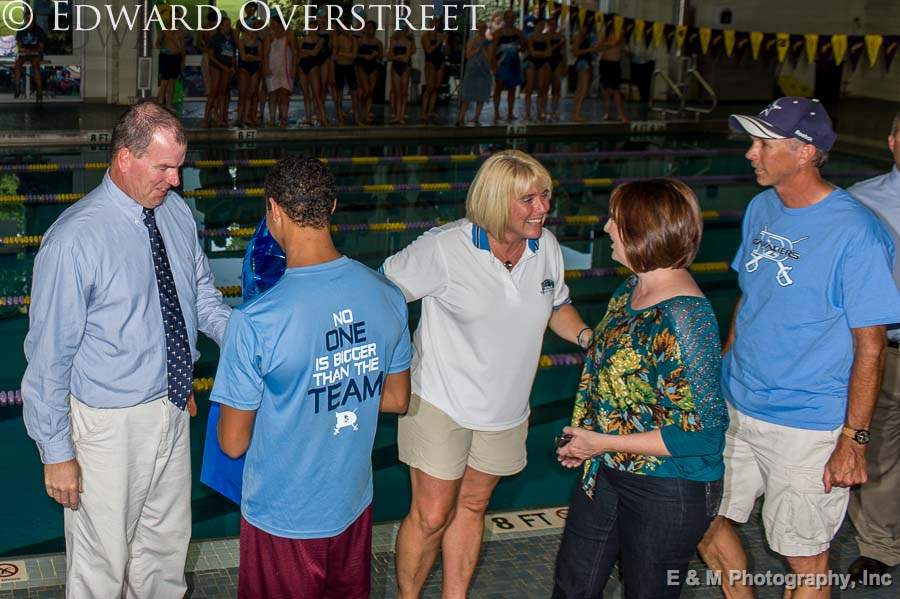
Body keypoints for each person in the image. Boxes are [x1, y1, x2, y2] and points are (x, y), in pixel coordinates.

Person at [21, 100, 231, 598]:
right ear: (123, 159)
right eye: (164, 168)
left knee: (164, 555)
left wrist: (247, 344)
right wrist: (56, 453)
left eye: (179, 167)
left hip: (172, 409)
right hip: (107, 428)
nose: (176, 180)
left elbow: (199, 295)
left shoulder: (174, 212)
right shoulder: (74, 240)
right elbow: (49, 358)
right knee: (100, 567)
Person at [697, 97, 900, 598]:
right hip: (738, 402)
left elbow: (871, 346)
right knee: (699, 518)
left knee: (805, 558)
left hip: (807, 422)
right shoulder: (761, 207)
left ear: (805, 152)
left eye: (764, 143)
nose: (751, 153)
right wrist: (723, 371)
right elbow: (751, 298)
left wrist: (853, 439)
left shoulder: (858, 232)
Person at [382, 150, 593, 599]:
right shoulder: (444, 248)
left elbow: (558, 307)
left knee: (473, 506)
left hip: (505, 407)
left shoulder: (546, 247)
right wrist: (390, 363)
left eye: (546, 196)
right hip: (440, 400)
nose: (543, 208)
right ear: (497, 201)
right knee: (433, 513)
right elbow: (380, 294)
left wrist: (589, 339)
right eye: (529, 199)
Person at [212, 156, 412, 598]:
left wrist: (304, 394)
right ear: (333, 207)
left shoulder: (256, 321)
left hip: (282, 520)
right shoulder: (386, 295)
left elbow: (232, 441)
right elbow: (398, 398)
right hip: (351, 508)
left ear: (274, 211)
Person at [552, 179, 728, 598]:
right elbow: (613, 362)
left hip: (668, 487)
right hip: (610, 468)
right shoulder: (633, 288)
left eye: (617, 220)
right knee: (573, 585)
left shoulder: (685, 319)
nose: (606, 227)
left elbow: (704, 435)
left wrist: (600, 441)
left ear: (642, 231)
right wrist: (589, 441)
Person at [845, 112, 900, 585]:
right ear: (892, 141)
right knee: (879, 448)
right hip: (886, 346)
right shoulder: (861, 202)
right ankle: (878, 546)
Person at [456, 21, 494, 126]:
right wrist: (477, 49)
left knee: (481, 95)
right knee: (466, 94)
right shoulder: (472, 40)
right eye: (479, 28)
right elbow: (468, 55)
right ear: (477, 29)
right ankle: (461, 117)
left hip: (483, 70)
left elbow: (489, 59)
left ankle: (476, 117)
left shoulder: (489, 42)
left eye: (483, 28)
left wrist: (483, 49)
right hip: (472, 69)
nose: (481, 30)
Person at [491, 10, 524, 123]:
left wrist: (515, 48)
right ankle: (496, 112)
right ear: (505, 19)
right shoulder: (498, 33)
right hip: (502, 63)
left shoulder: (518, 32)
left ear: (515, 19)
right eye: (508, 18)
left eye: (513, 18)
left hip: (514, 63)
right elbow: (493, 51)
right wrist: (494, 65)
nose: (511, 20)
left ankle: (510, 112)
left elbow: (523, 48)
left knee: (512, 88)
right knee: (498, 88)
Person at [263, 17, 295, 128]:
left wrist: (293, 69)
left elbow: (295, 53)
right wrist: (266, 68)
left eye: (274, 23)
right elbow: (265, 54)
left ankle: (284, 118)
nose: (272, 26)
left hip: (285, 66)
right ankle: (272, 118)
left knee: (284, 93)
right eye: (272, 24)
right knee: (273, 93)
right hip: (273, 67)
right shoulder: (269, 36)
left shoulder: (289, 35)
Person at [204, 17, 237, 127]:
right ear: (221, 26)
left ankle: (221, 117)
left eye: (229, 24)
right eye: (226, 25)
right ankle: (206, 118)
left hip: (227, 68)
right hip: (216, 67)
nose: (228, 27)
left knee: (223, 93)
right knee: (213, 92)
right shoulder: (216, 38)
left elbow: (232, 53)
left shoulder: (231, 38)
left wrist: (232, 66)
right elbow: (210, 56)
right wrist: (222, 67)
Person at [421, 17, 449, 123]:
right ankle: (423, 112)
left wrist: (445, 42)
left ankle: (431, 111)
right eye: (436, 22)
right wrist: (438, 42)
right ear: (431, 23)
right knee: (430, 88)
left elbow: (447, 52)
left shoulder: (442, 35)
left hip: (440, 62)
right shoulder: (426, 36)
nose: (438, 24)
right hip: (430, 62)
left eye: (439, 23)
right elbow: (428, 51)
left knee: (437, 87)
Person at [355, 20, 383, 125]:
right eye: (367, 28)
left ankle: (366, 114)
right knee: (366, 90)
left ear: (375, 29)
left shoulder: (378, 42)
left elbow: (381, 57)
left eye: (371, 27)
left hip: (373, 66)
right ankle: (361, 109)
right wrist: (364, 56)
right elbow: (355, 55)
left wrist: (376, 55)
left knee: (370, 91)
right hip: (362, 66)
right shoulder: (360, 41)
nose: (369, 30)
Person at [598, 26, 628, 122]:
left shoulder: (621, 30)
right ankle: (607, 113)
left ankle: (621, 114)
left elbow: (616, 42)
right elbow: (599, 45)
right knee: (606, 90)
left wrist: (605, 44)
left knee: (616, 90)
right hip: (605, 63)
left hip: (615, 64)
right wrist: (605, 44)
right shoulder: (605, 30)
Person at [235, 22, 263, 126]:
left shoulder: (258, 42)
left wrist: (250, 57)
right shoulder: (242, 41)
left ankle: (248, 116)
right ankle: (240, 118)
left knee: (252, 94)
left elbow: (260, 57)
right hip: (244, 68)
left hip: (254, 69)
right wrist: (252, 57)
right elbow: (243, 57)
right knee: (243, 94)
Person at [570, 20, 598, 123]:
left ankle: (575, 113)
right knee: (583, 90)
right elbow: (574, 52)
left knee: (581, 90)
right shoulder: (578, 36)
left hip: (586, 62)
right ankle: (576, 113)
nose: (585, 30)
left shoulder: (586, 36)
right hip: (582, 63)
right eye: (584, 28)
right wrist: (589, 50)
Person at [387, 27, 415, 125]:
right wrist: (399, 57)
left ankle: (401, 115)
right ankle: (397, 115)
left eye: (404, 29)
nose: (402, 31)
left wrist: (396, 57)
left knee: (403, 93)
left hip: (405, 68)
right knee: (397, 92)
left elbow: (406, 59)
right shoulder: (393, 39)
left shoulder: (409, 41)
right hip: (396, 67)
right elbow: (389, 57)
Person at [14, 17, 46, 102]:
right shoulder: (21, 30)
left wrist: (32, 51)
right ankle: (17, 88)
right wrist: (22, 50)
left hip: (35, 53)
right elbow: (19, 44)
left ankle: (39, 91)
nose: (28, 20)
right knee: (17, 64)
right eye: (27, 18)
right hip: (24, 53)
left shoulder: (39, 30)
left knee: (36, 66)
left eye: (30, 18)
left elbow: (41, 47)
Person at [333, 25, 360, 126]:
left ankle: (356, 119)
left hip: (350, 68)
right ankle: (340, 117)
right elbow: (335, 55)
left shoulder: (354, 40)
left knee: (355, 94)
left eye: (347, 28)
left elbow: (354, 55)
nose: (346, 30)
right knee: (339, 94)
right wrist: (345, 54)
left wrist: (342, 53)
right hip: (340, 67)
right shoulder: (337, 39)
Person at [156, 23, 185, 110]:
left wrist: (183, 61)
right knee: (164, 82)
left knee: (172, 81)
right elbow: (157, 43)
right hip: (166, 57)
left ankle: (169, 104)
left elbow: (182, 47)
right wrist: (163, 49)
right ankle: (160, 104)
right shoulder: (164, 29)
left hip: (176, 57)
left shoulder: (180, 31)